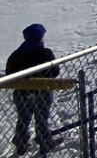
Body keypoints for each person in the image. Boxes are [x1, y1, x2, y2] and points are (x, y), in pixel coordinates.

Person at [6, 24, 61, 157]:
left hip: (21, 93)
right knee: (42, 118)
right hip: (42, 92)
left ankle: (21, 143)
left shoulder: (17, 54)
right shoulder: (45, 53)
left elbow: (9, 73)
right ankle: (44, 141)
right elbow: (55, 71)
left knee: (23, 118)